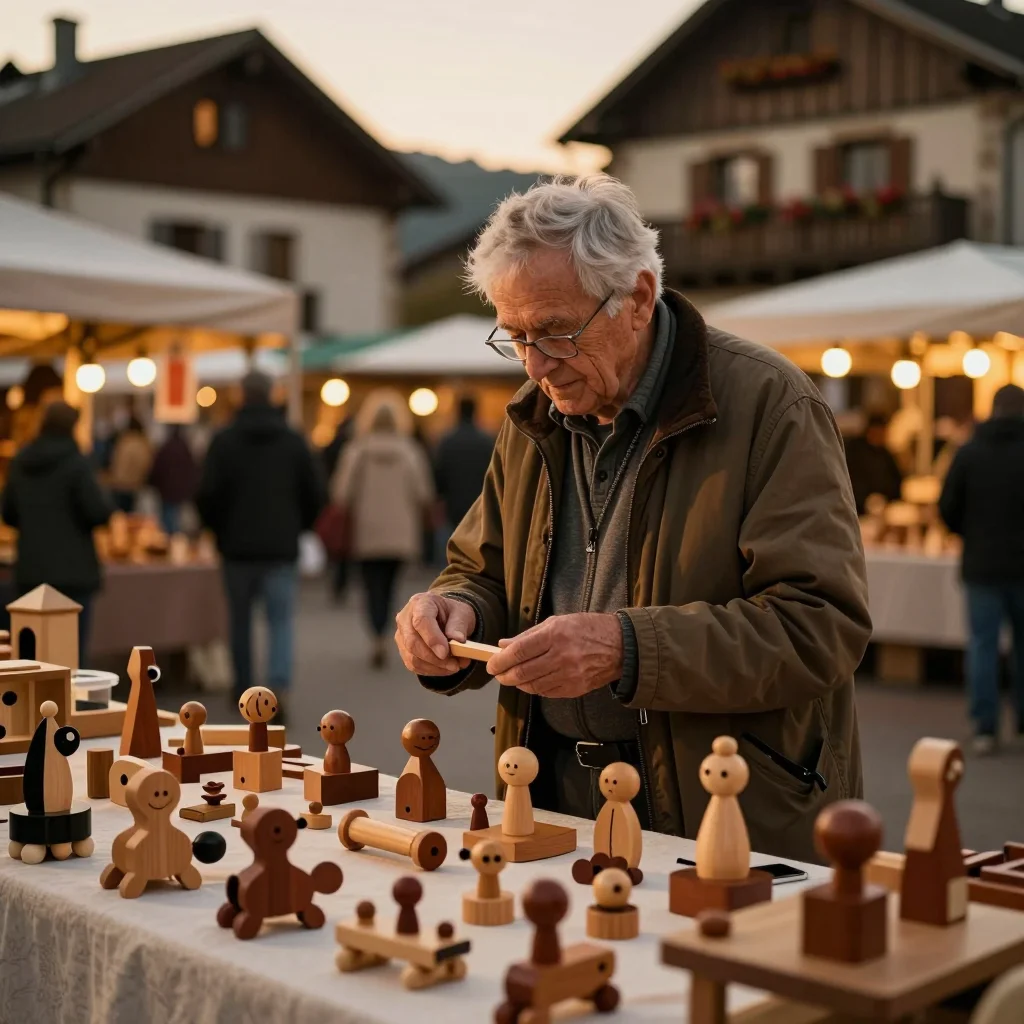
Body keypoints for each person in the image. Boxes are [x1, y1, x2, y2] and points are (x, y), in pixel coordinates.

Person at [394, 174, 871, 864]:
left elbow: (820, 626)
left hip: (724, 815)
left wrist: (625, 647)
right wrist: (451, 610)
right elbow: (483, 569)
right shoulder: (534, 416)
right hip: (553, 802)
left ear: (639, 298)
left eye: (556, 332)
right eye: (515, 335)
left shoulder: (771, 405)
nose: (535, 364)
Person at [196, 372, 324, 713]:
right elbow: (315, 493)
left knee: (239, 620)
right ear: (272, 396)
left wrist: (217, 530)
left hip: (236, 547)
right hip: (281, 545)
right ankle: (278, 687)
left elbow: (207, 495)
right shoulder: (293, 440)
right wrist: (299, 525)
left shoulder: (223, 441)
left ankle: (243, 687)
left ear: (241, 397)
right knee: (280, 620)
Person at [939, 384, 1024, 755]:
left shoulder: (969, 452)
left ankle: (985, 727)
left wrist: (970, 534)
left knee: (983, 647)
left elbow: (947, 507)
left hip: (982, 564)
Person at [1, 401, 114, 663]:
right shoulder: (76, 463)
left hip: (31, 570)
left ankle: (31, 706)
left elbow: (8, 513)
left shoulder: (21, 461)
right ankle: (69, 705)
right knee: (70, 658)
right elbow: (98, 511)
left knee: (29, 658)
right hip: (73, 573)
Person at [332, 389, 434, 669]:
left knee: (370, 585)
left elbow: (341, 493)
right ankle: (386, 628)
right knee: (390, 585)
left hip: (366, 532)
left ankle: (376, 634)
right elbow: (423, 492)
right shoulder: (410, 451)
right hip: (400, 533)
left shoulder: (357, 450)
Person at [433, 396, 495, 548]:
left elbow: (439, 476)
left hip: (453, 505)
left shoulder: (447, 441)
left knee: (451, 549)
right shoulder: (486, 441)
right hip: (480, 504)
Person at [320, 418, 354, 601]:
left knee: (341, 550)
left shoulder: (352, 450)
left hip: (344, 507)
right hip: (362, 512)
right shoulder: (354, 448)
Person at [844, 412, 904, 514]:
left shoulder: (886, 454)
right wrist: (866, 501)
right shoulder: (855, 452)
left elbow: (897, 481)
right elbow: (850, 480)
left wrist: (886, 499)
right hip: (858, 510)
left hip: (885, 509)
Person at [148, 426, 199, 535]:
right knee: (176, 521)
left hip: (167, 491)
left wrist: (153, 484)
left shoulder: (165, 448)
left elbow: (157, 468)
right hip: (180, 492)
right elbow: (192, 470)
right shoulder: (186, 449)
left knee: (168, 522)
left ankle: (169, 543)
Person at [107, 415, 153, 513]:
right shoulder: (143, 444)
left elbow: (115, 462)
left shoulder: (124, 441)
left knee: (119, 517)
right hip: (135, 486)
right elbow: (147, 465)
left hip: (119, 485)